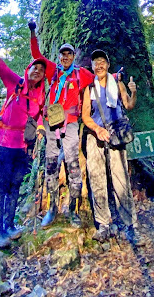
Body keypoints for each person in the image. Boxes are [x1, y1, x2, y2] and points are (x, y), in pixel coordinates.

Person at [0, 36, 47, 248]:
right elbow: (1, 66)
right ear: (28, 70)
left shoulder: (40, 97)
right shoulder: (16, 84)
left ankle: (9, 226)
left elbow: (40, 119)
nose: (37, 71)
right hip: (2, 143)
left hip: (22, 148)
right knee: (0, 186)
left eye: (41, 70)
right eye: (34, 68)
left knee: (15, 186)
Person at [29, 22, 94, 228]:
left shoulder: (80, 73)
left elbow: (98, 79)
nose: (65, 57)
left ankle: (73, 209)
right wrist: (33, 32)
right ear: (59, 56)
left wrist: (115, 78)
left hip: (71, 124)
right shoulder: (53, 71)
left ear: (74, 56)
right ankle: (52, 209)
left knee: (73, 166)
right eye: (62, 54)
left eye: (69, 54)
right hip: (51, 124)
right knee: (50, 167)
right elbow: (36, 53)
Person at [81, 49, 140, 245]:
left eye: (102, 62)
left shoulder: (117, 84)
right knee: (96, 179)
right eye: (95, 62)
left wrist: (133, 91)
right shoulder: (89, 88)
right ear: (92, 67)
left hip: (116, 136)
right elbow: (85, 116)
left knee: (121, 179)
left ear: (108, 65)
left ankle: (130, 225)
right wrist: (98, 130)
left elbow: (129, 105)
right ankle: (103, 224)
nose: (99, 65)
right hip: (95, 137)